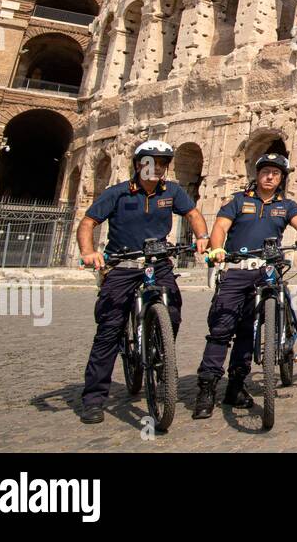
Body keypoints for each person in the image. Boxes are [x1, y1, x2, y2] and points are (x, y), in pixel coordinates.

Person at [75, 140, 208, 424]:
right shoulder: (118, 193)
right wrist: (88, 252)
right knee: (109, 330)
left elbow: (193, 214)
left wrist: (201, 238)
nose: (157, 167)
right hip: (122, 264)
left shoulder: (171, 191)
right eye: (151, 162)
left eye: (162, 163)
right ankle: (93, 398)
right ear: (138, 165)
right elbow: (88, 223)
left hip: (157, 263)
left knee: (172, 312)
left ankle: (161, 356)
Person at [192, 153, 297, 419]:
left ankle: (237, 385)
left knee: (248, 331)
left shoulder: (286, 205)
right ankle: (206, 388)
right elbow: (220, 227)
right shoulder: (239, 201)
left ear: (281, 178)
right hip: (238, 270)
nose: (270, 176)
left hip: (267, 271)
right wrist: (216, 248)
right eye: (265, 171)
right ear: (257, 174)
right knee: (221, 329)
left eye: (276, 173)